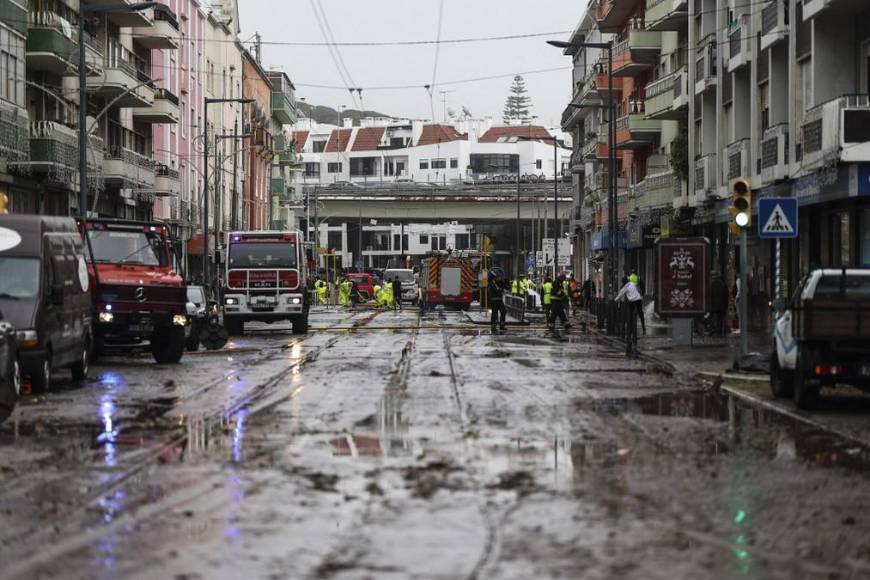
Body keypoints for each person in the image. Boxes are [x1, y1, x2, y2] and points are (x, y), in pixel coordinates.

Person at [615, 275, 643, 344]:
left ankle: (627, 335)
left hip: (628, 304)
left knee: (627, 319)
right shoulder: (632, 284)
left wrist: (615, 300)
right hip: (634, 303)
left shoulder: (625, 287)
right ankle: (631, 334)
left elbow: (620, 296)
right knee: (631, 319)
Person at [627, 271, 646, 335]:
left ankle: (630, 329)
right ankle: (643, 328)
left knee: (630, 314)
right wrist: (642, 294)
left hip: (631, 299)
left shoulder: (629, 278)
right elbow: (642, 287)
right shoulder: (638, 278)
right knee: (641, 313)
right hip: (638, 298)